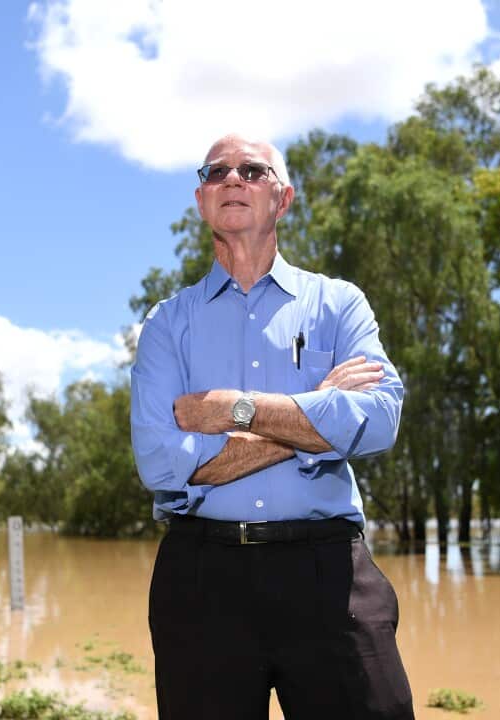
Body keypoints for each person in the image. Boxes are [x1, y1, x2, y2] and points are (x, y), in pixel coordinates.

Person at [130, 133, 414, 720]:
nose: (232, 179)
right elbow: (161, 463)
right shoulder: (166, 323)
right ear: (202, 199)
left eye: (252, 170)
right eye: (216, 172)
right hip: (201, 578)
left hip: (328, 572)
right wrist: (317, 415)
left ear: (282, 199)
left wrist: (237, 408)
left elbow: (380, 418)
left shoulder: (340, 305)